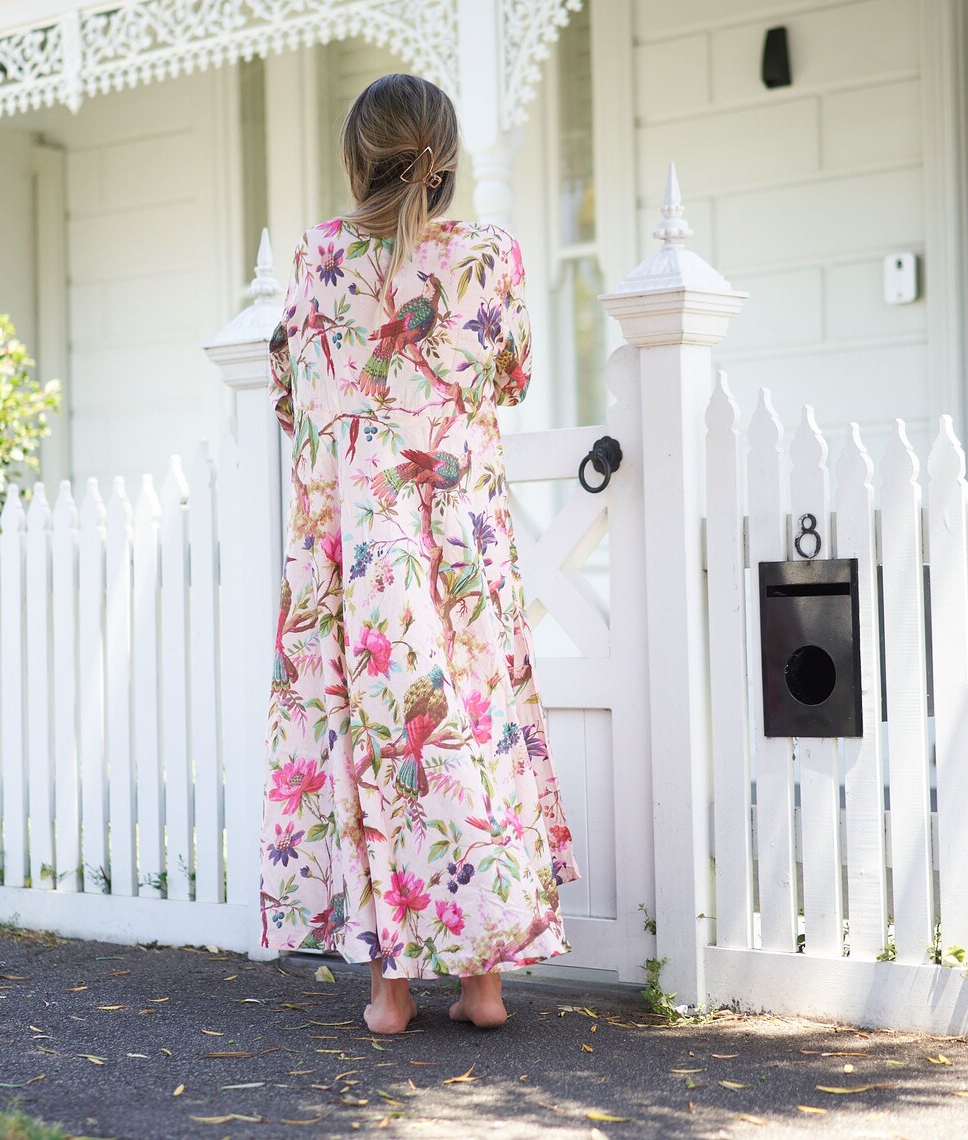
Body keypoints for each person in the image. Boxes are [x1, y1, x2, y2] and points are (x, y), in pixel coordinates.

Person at [260, 73, 578, 1034]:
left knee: (377, 744)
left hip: (362, 559)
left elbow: (288, 394)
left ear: (357, 162)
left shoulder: (319, 260)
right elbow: (512, 374)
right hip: (462, 552)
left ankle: (389, 990)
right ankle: (483, 985)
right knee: (472, 738)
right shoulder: (489, 256)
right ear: (446, 165)